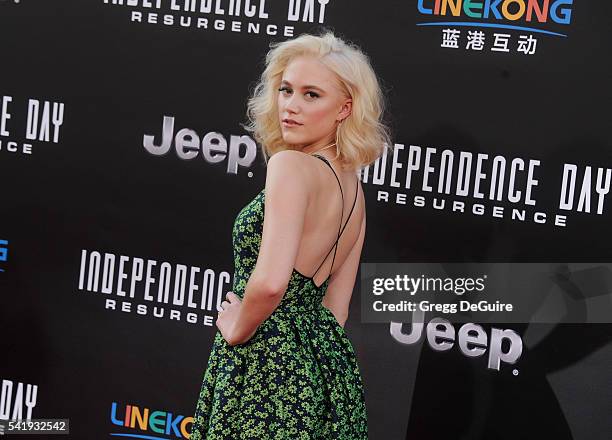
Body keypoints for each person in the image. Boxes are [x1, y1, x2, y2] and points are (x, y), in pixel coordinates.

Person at [190, 29, 392, 439]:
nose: (290, 107)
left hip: (265, 364)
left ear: (344, 109)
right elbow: (336, 309)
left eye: (311, 95)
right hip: (325, 371)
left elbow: (268, 284)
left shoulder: (289, 166)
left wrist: (237, 328)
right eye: (286, 90)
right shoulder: (354, 189)